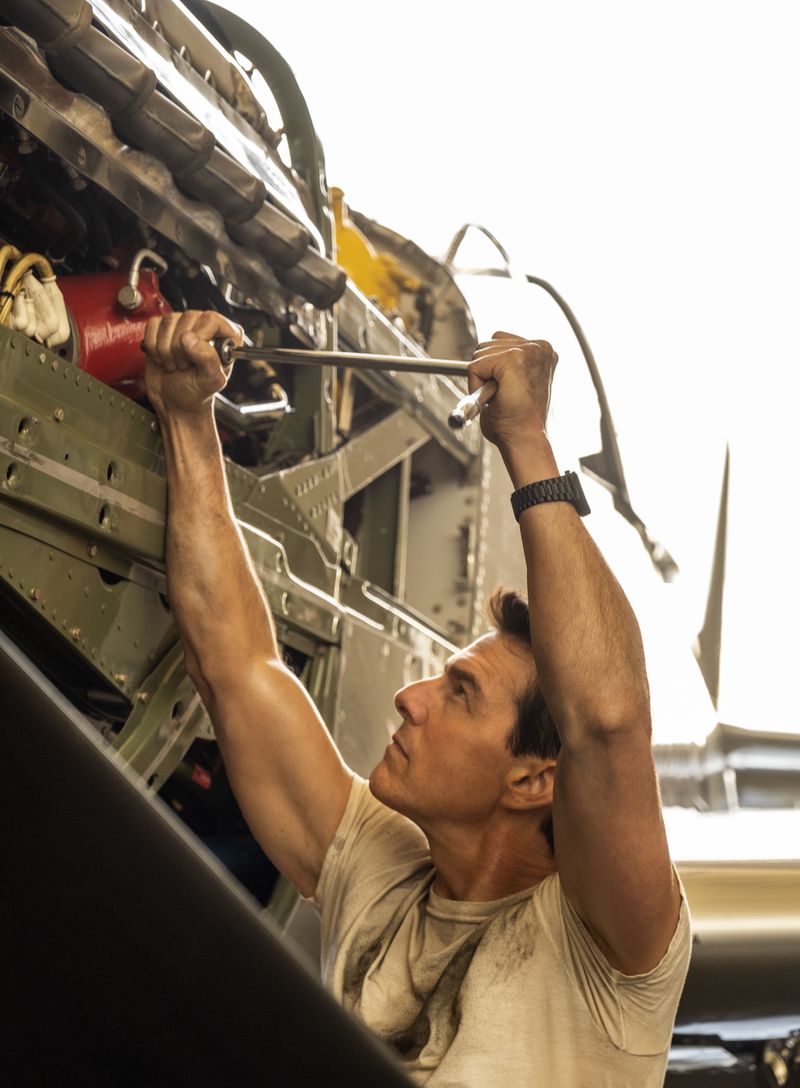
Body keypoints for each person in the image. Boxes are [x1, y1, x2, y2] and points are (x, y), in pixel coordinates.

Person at [143, 310, 691, 1087]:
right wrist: (185, 415)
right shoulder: (377, 867)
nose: (409, 697)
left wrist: (528, 443)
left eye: (459, 694)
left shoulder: (606, 953)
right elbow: (236, 666)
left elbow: (606, 723)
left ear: (533, 778)